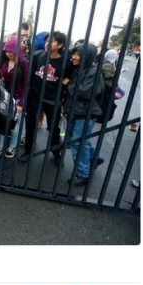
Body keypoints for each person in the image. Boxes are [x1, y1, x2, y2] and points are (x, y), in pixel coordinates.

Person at [63, 44, 105, 186]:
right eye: (74, 54)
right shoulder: (80, 68)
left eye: (78, 55)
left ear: (86, 57)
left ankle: (83, 173)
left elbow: (84, 92)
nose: (74, 57)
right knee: (81, 140)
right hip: (77, 110)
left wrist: (69, 84)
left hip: (85, 113)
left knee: (77, 142)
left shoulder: (93, 71)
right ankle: (95, 157)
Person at [24, 31, 67, 164]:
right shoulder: (38, 56)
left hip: (53, 100)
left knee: (54, 128)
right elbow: (30, 76)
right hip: (35, 98)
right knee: (30, 126)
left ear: (60, 45)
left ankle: (56, 153)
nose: (47, 44)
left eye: (52, 41)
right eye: (47, 41)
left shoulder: (65, 62)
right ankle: (28, 151)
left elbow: (69, 78)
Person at [0, 36, 28, 159]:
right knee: (3, 121)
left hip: (19, 98)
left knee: (15, 124)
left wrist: (21, 103)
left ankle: (13, 146)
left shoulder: (25, 63)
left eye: (12, 51)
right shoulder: (3, 62)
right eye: (7, 51)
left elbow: (26, 84)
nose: (9, 53)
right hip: (5, 96)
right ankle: (0, 145)